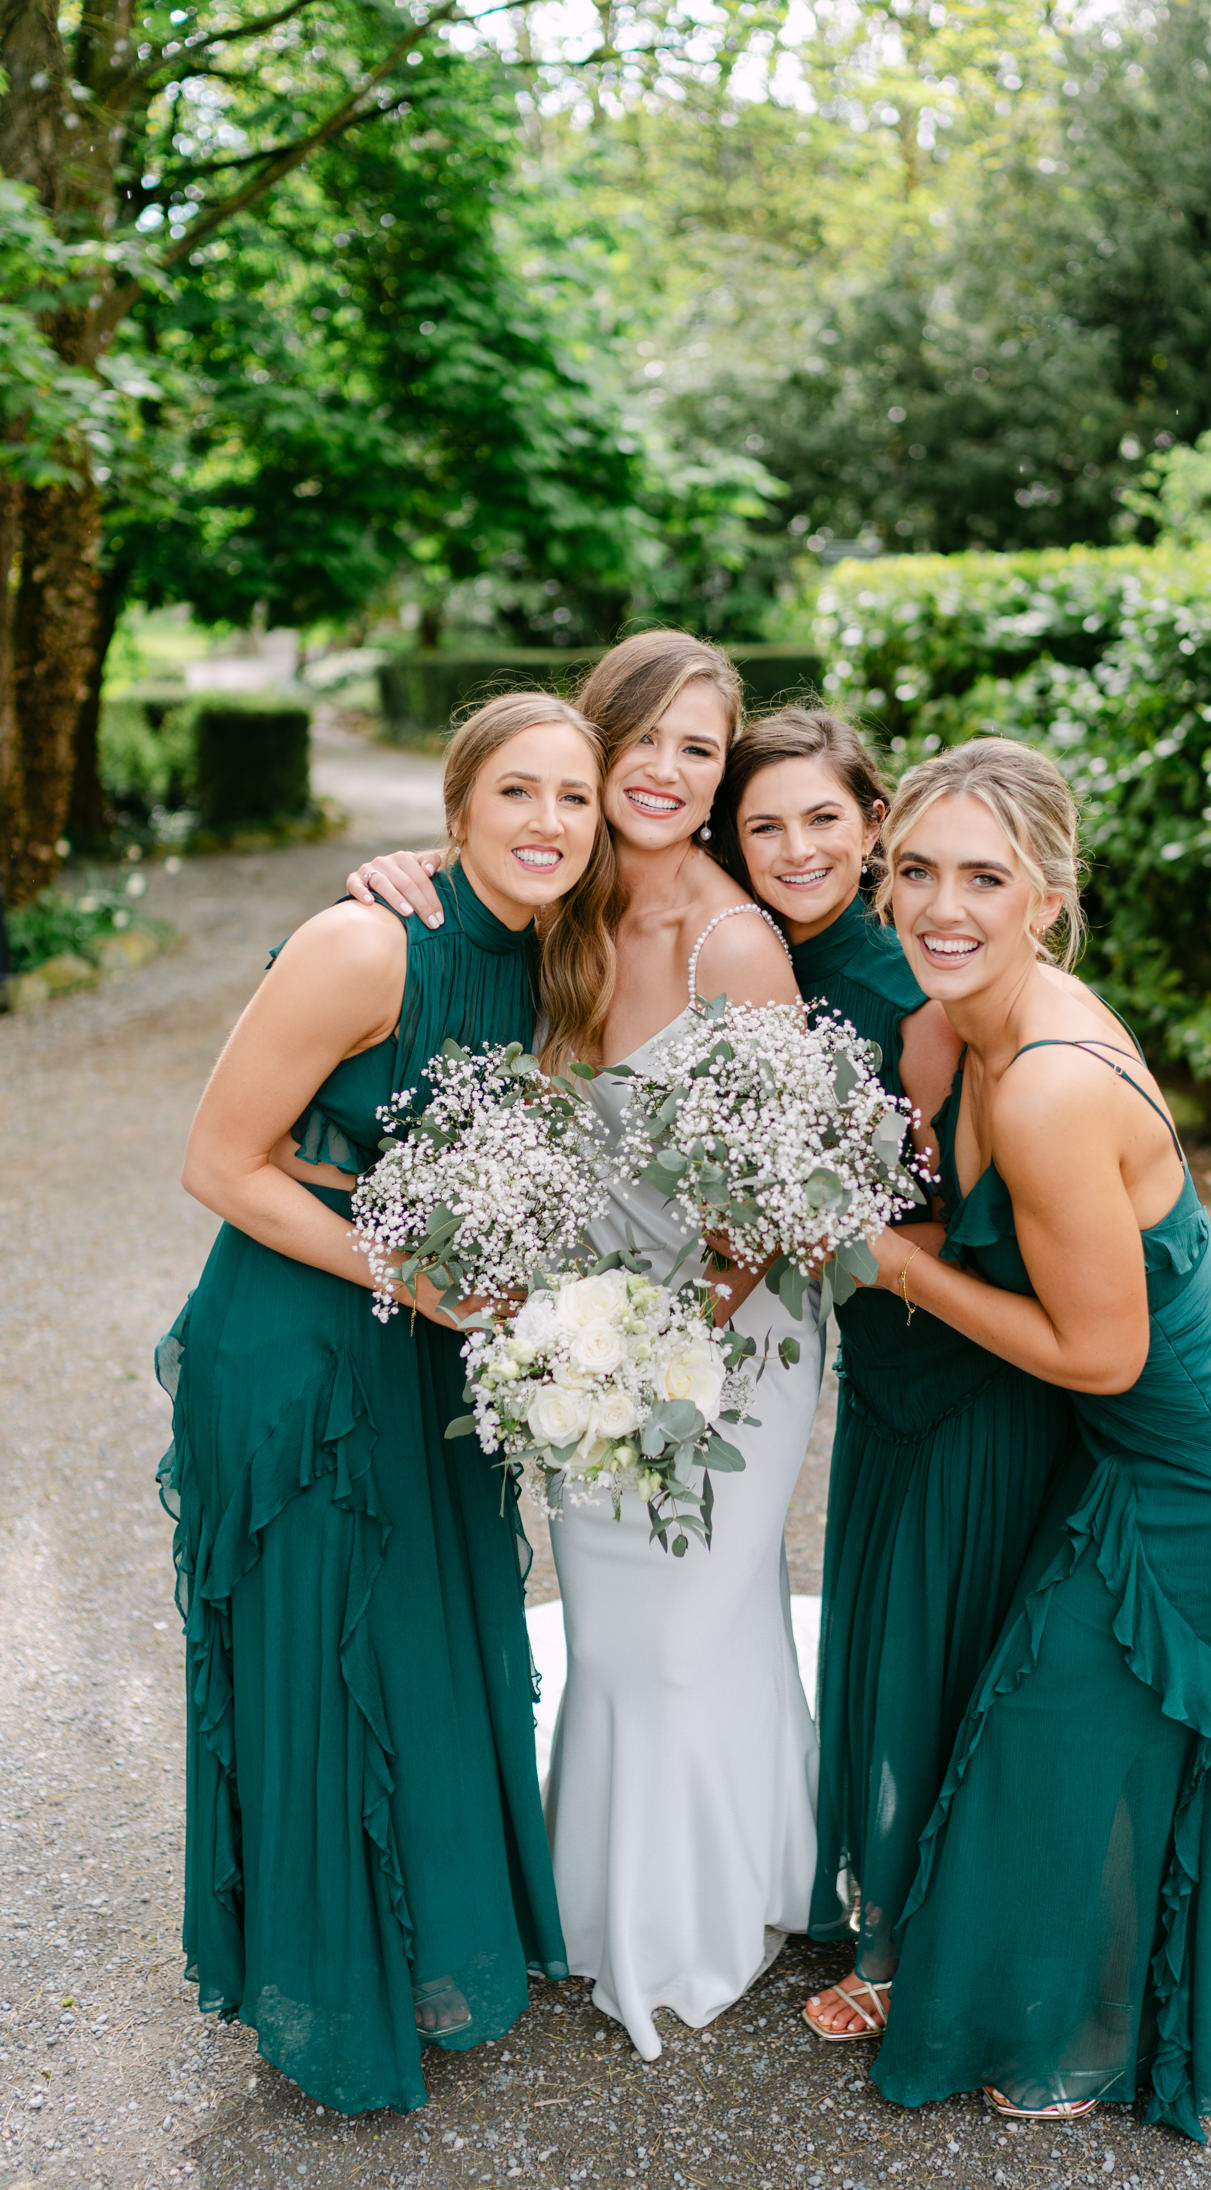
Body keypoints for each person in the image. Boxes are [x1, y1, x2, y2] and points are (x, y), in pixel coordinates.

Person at [856, 736, 1211, 2134]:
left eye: (984, 878)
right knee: (1066, 1718)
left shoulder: (1051, 1082)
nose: (943, 906)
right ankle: (1089, 1987)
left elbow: (1101, 1350)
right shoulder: (959, 1016)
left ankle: (1087, 2025)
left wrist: (892, 1264)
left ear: (1049, 899)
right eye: (918, 872)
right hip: (1173, 1417)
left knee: (1058, 1724)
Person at [348, 632, 823, 2061]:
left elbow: (783, 1197)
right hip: (579, 1334)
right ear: (599, 746)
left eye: (704, 746)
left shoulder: (735, 943)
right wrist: (386, 876)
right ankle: (641, 1886)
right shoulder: (556, 908)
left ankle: (691, 1923)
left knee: (674, 1632)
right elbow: (452, 895)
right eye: (650, 740)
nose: (672, 771)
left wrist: (657, 1349)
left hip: (724, 1346)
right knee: (625, 1636)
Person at [159, 692, 609, 2113]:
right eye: (520, 792)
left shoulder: (553, 965)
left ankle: (423, 1933)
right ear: (458, 805)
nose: (549, 822)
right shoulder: (367, 939)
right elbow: (221, 1162)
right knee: (321, 1653)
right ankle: (323, 1984)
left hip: (426, 1347)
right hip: (299, 1352)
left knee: (423, 1640)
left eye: (574, 799)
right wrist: (407, 1275)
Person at [712, 705, 1076, 2043]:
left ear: (872, 829)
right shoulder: (762, 960)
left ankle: (913, 1941)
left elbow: (956, 1213)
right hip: (883, 1368)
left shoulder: (920, 999)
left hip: (957, 1367)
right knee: (883, 1640)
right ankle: (894, 1907)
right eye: (766, 823)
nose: (799, 845)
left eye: (826, 817)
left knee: (940, 1647)